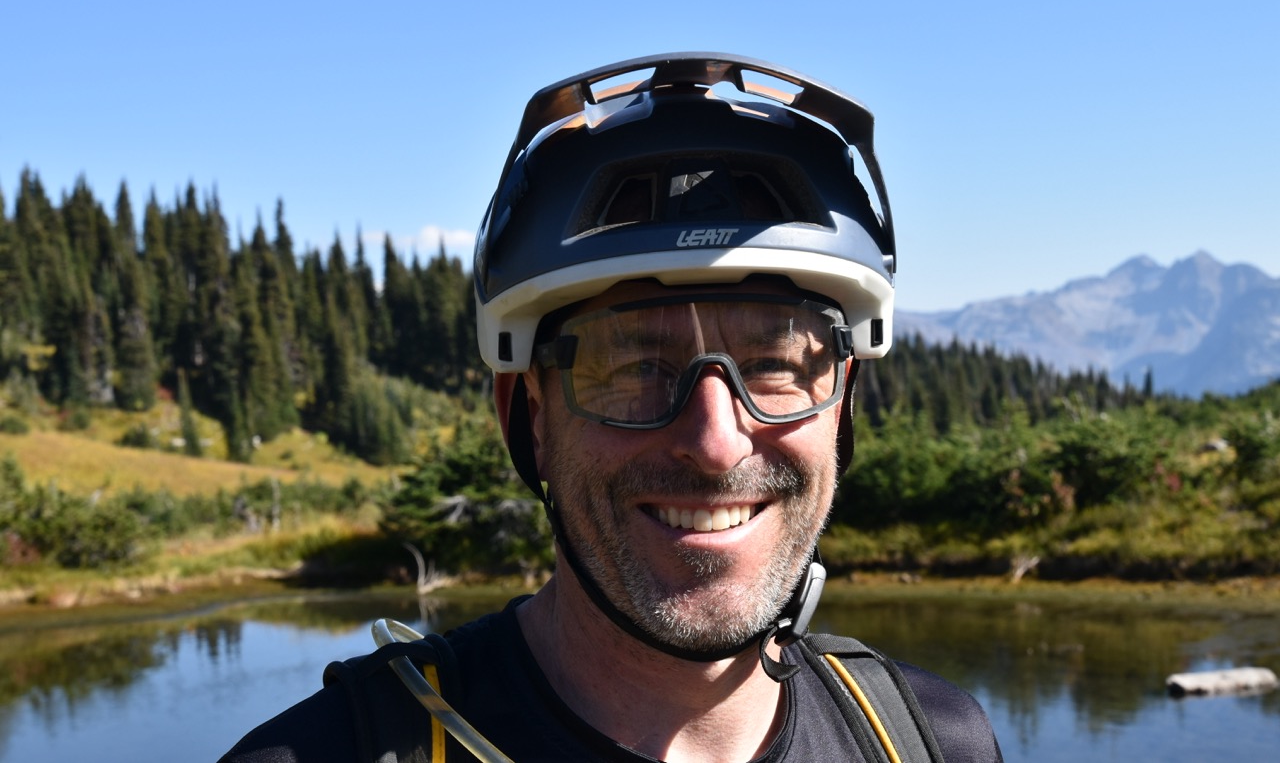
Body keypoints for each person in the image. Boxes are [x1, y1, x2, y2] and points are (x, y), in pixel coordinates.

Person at [219, 53, 1003, 762]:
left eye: (773, 363)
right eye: (632, 365)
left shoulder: (929, 741)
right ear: (525, 414)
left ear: (844, 402)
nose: (716, 441)